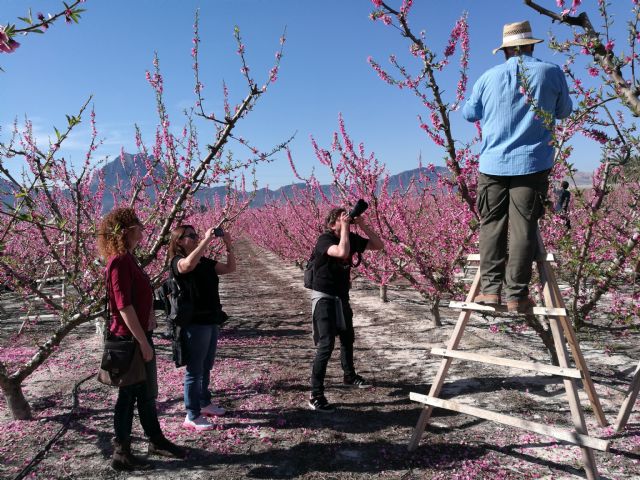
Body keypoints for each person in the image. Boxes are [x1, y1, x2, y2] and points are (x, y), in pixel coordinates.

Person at [462, 20, 572, 313]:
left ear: (505, 50)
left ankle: (489, 291)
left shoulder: (487, 77)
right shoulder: (551, 72)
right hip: (532, 163)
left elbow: (468, 114)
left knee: (491, 225)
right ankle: (516, 295)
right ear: (530, 45)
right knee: (524, 227)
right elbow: (564, 111)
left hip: (492, 163)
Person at [97, 207, 185, 471]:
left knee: (146, 394)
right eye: (138, 225)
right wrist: (143, 342)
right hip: (129, 340)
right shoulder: (120, 261)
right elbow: (123, 306)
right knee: (128, 396)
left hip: (138, 334)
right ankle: (121, 454)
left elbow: (137, 297)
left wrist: (149, 314)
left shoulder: (130, 259)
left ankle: (155, 439)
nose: (143, 229)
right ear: (126, 230)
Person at [308, 207, 383, 412]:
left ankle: (349, 375)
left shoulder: (349, 236)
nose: (346, 222)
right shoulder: (324, 239)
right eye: (341, 220)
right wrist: (346, 229)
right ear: (332, 224)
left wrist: (363, 225)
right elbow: (341, 252)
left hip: (341, 297)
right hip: (324, 298)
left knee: (348, 337)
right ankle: (316, 394)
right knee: (326, 344)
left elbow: (378, 245)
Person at [167, 224, 236, 431]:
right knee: (194, 370)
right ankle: (192, 414)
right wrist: (206, 240)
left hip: (211, 318)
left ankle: (204, 403)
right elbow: (187, 266)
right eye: (191, 236)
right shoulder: (177, 262)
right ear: (179, 241)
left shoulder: (204, 262)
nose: (196, 238)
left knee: (206, 366)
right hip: (194, 323)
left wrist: (229, 245)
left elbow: (230, 268)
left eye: (197, 235)